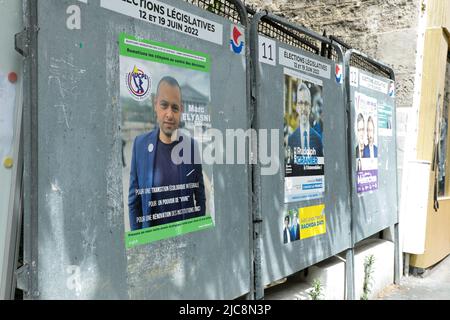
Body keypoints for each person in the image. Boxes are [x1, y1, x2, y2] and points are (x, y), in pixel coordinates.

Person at [128, 76, 206, 231]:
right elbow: (133, 202)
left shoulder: (191, 147)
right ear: (155, 105)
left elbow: (200, 197)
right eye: (164, 105)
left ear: (181, 111)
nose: (170, 114)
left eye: (175, 108)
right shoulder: (140, 145)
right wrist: (139, 240)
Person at [288, 83, 323, 158]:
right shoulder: (291, 138)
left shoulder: (318, 137)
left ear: (310, 107)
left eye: (306, 104)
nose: (303, 108)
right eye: (300, 103)